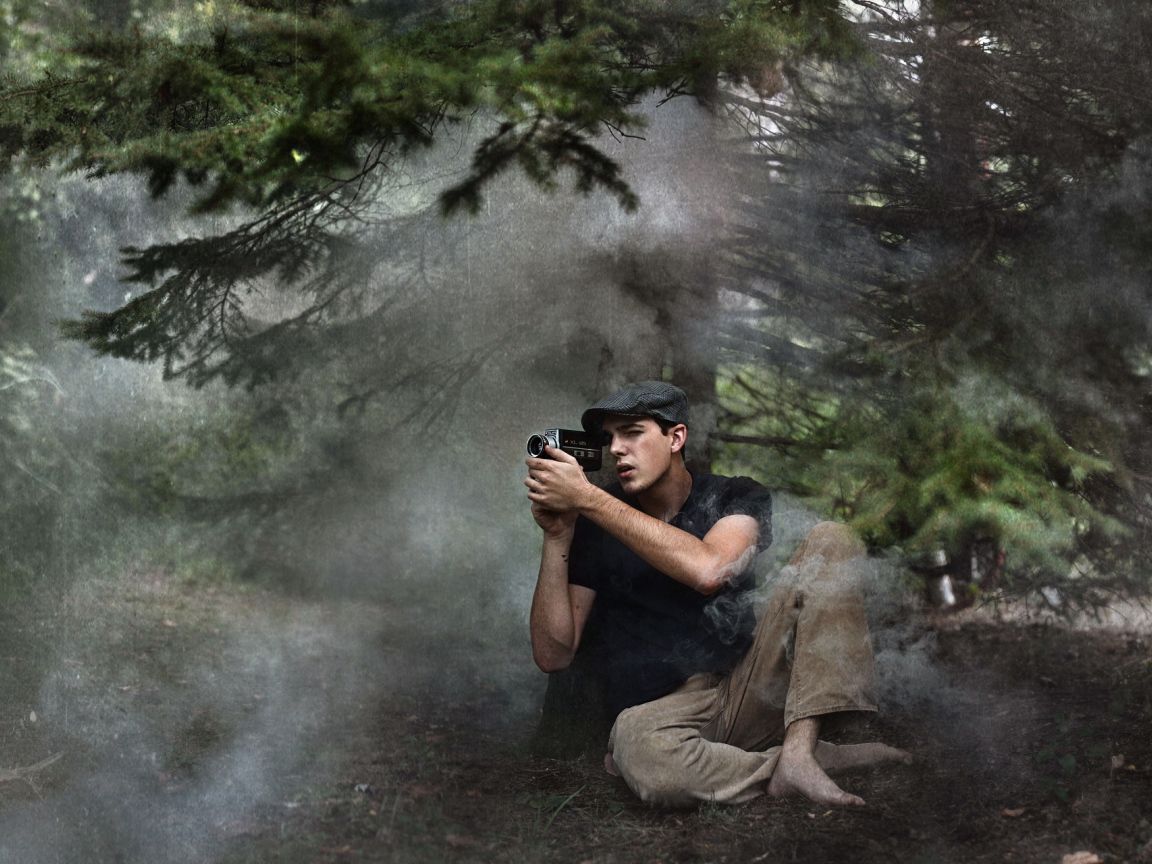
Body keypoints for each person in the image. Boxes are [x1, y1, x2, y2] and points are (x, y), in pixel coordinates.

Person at [524, 381, 910, 808]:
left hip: (748, 688)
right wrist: (557, 534)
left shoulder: (734, 494)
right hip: (661, 717)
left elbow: (711, 570)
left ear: (676, 438)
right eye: (610, 437)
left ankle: (801, 750)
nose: (616, 448)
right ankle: (796, 765)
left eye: (632, 433)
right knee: (647, 757)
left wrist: (589, 498)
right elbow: (553, 654)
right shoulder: (595, 521)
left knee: (832, 539)